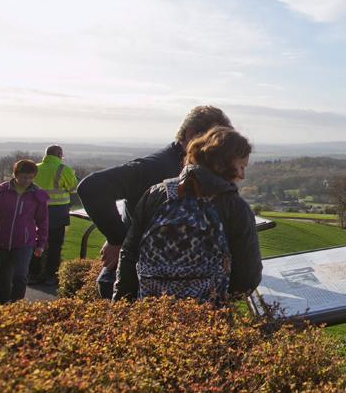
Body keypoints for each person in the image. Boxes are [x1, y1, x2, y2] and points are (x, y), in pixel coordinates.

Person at [77, 106, 231, 299]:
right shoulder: (157, 167)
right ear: (191, 134)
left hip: (154, 281)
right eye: (215, 141)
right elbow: (92, 188)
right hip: (139, 285)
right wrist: (119, 240)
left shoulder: (183, 167)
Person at [114, 126, 262, 301]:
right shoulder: (235, 207)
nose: (243, 176)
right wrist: (225, 298)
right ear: (223, 164)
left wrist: (122, 305)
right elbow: (247, 275)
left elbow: (129, 254)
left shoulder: (157, 194)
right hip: (205, 318)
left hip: (150, 309)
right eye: (241, 167)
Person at [0, 160, 49, 304]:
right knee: (3, 276)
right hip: (2, 241)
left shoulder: (38, 196)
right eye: (24, 177)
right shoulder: (0, 192)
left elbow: (43, 221)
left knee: (20, 275)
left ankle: (17, 306)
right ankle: (3, 305)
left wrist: (40, 243)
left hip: (25, 242)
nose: (27, 180)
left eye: (31, 177)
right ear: (16, 174)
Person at [29, 145, 78, 286]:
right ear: (58, 154)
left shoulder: (35, 168)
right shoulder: (64, 169)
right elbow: (73, 188)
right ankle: (51, 276)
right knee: (55, 246)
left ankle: (32, 274)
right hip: (57, 212)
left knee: (35, 243)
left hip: (34, 212)